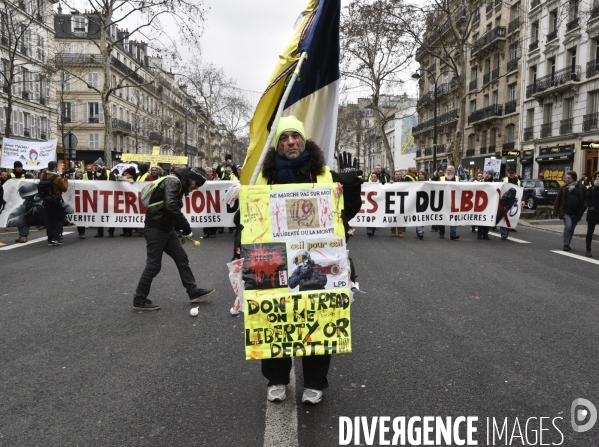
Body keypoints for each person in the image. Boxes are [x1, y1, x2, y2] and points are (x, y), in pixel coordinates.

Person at [236, 115, 362, 405]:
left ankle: (315, 382)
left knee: (318, 317)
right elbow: (247, 220)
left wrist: (353, 185)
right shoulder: (262, 176)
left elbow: (345, 213)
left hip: (316, 257)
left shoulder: (324, 174)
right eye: (284, 137)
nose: (291, 142)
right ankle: (277, 380)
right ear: (277, 143)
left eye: (295, 137)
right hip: (273, 259)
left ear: (303, 141)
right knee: (273, 320)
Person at [133, 167, 215, 311]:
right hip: (156, 229)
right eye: (198, 184)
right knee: (153, 266)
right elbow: (170, 205)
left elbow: (169, 208)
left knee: (181, 258)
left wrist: (177, 227)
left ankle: (193, 291)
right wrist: (185, 224)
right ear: (191, 179)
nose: (197, 188)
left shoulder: (180, 185)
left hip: (166, 229)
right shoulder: (173, 181)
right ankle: (139, 299)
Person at [554, 171, 586, 252]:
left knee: (572, 229)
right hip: (566, 212)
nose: (567, 179)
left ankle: (568, 243)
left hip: (576, 213)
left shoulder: (581, 187)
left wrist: (583, 209)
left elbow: (585, 200)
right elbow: (558, 200)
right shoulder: (563, 187)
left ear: (574, 179)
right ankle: (566, 244)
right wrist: (555, 211)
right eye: (566, 178)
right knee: (568, 226)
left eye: (569, 178)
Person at [39, 161, 68, 246]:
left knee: (49, 220)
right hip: (56, 200)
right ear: (55, 167)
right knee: (60, 218)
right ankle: (56, 237)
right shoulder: (57, 178)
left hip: (46, 200)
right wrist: (65, 180)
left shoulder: (42, 176)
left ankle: (50, 239)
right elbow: (64, 189)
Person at [90, 158, 116, 238]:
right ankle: (100, 231)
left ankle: (111, 231)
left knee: (111, 214)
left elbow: (113, 183)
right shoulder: (93, 174)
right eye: (94, 165)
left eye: (96, 165)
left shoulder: (109, 173)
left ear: (100, 166)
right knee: (99, 215)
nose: (95, 167)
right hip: (98, 198)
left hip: (109, 197)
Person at [499, 168, 525, 240]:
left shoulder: (519, 182)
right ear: (508, 173)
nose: (511, 174)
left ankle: (506, 232)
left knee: (510, 217)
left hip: (514, 202)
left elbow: (522, 192)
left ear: (515, 173)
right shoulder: (503, 180)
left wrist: (523, 200)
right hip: (504, 201)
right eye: (510, 173)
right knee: (504, 217)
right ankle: (504, 234)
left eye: (512, 173)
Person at [438, 165, 460, 240]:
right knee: (442, 217)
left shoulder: (457, 179)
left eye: (450, 170)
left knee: (453, 218)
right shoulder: (441, 179)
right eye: (447, 170)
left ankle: (453, 234)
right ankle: (442, 233)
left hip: (454, 201)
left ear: (453, 171)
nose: (448, 172)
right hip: (443, 201)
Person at [477, 170, 495, 240]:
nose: (487, 175)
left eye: (489, 174)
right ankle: (479, 233)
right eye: (487, 173)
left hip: (490, 203)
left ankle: (485, 234)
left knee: (488, 219)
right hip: (481, 202)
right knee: (481, 218)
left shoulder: (494, 183)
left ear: (492, 176)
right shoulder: (481, 181)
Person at [585, 171, 599, 257]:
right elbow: (587, 197)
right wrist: (590, 206)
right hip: (593, 213)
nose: (598, 177)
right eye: (597, 176)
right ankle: (588, 249)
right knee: (590, 232)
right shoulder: (592, 188)